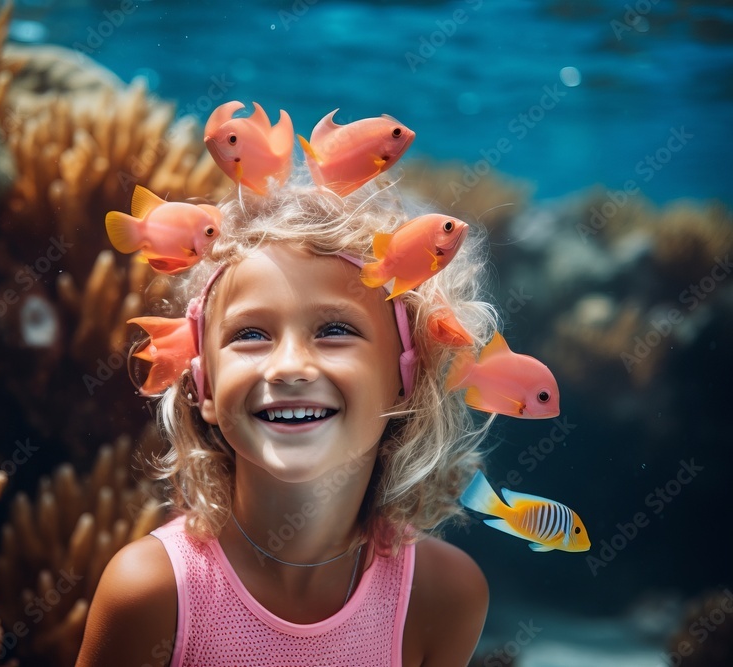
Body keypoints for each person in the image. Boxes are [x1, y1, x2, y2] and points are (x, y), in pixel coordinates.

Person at [77, 175, 497, 666]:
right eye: (251, 334)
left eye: (335, 330)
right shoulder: (150, 592)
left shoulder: (444, 594)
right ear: (204, 386)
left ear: (407, 378)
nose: (290, 366)